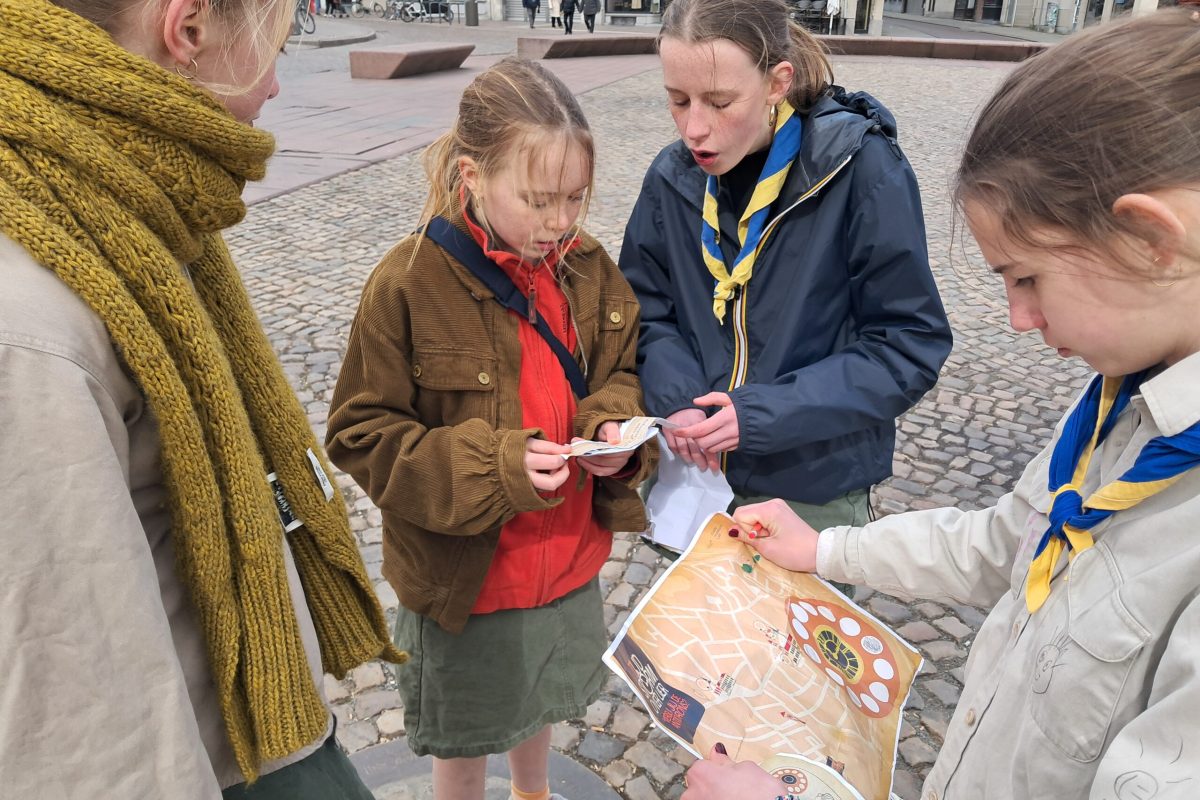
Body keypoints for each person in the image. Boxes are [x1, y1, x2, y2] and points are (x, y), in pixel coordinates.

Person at [682, 10, 1200, 800]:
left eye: (1027, 278)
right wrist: (823, 552)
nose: (1020, 319)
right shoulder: (1118, 397)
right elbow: (1008, 543)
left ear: (1150, 240)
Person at [0, 0, 403, 796]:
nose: (278, 87)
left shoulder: (114, 192)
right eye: (274, 48)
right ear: (187, 31)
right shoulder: (34, 319)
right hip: (211, 757)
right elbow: (82, 740)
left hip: (248, 722)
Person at [325, 57, 654, 800]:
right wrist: (495, 468)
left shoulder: (591, 270)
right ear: (472, 176)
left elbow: (619, 372)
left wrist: (610, 430)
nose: (562, 221)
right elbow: (360, 431)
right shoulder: (408, 280)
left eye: (576, 197)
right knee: (467, 728)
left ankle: (532, 792)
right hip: (467, 581)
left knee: (537, 700)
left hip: (567, 560)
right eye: (539, 200)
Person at [619, 0, 952, 566]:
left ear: (778, 82)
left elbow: (907, 344)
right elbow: (645, 313)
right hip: (695, 487)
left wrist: (761, 415)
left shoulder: (860, 171)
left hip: (808, 492)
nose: (694, 127)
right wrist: (677, 403)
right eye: (678, 100)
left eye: (720, 102)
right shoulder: (672, 177)